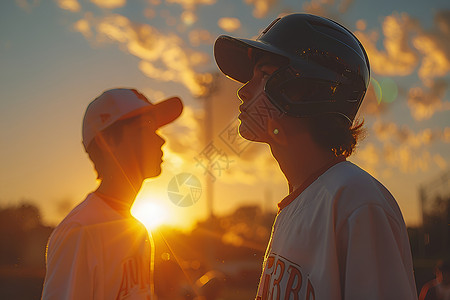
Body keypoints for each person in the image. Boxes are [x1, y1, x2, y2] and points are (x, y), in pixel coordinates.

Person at [214, 13, 417, 299]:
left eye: (263, 75)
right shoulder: (298, 203)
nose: (244, 91)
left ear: (307, 89)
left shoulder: (356, 200)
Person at [41, 88, 183, 299]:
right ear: (105, 142)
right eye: (147, 127)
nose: (161, 140)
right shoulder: (80, 231)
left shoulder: (139, 231)